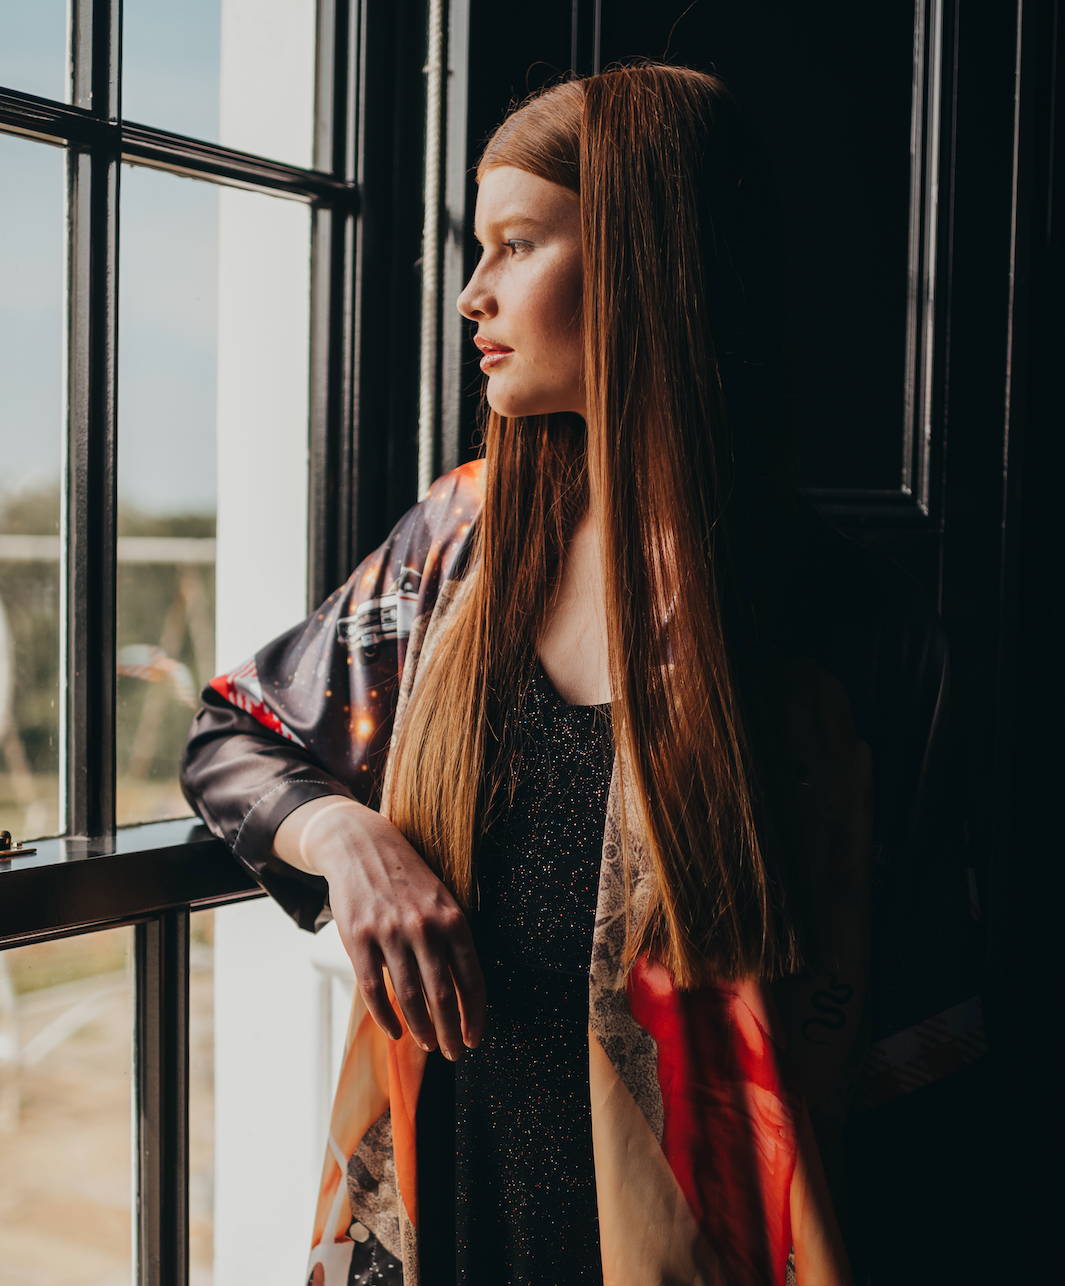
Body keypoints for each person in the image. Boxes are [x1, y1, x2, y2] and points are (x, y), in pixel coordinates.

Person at [182, 64, 980, 1286]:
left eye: (515, 245)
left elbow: (923, 1046)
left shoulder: (843, 627)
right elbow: (233, 734)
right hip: (440, 1224)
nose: (470, 293)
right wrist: (349, 836)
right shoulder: (459, 544)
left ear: (648, 263)